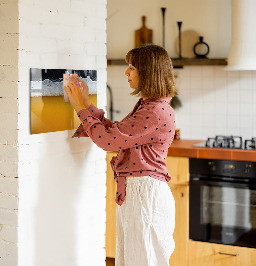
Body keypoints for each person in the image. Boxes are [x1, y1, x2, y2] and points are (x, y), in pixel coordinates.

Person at [65, 44, 177, 266]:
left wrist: (80, 107)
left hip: (145, 195)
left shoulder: (154, 111)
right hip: (140, 193)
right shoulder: (150, 106)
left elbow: (108, 141)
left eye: (132, 67)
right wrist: (86, 103)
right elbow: (116, 133)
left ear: (148, 72)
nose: (126, 72)